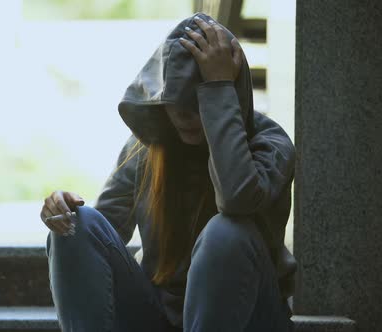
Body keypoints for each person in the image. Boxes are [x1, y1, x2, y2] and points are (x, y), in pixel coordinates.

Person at [41, 12, 297, 332]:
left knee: (227, 231)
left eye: (199, 99)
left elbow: (236, 199)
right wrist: (61, 211)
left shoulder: (270, 145)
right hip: (158, 314)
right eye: (176, 101)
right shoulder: (148, 147)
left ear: (229, 95)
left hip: (251, 318)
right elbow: (102, 237)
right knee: (77, 224)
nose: (185, 114)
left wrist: (217, 86)